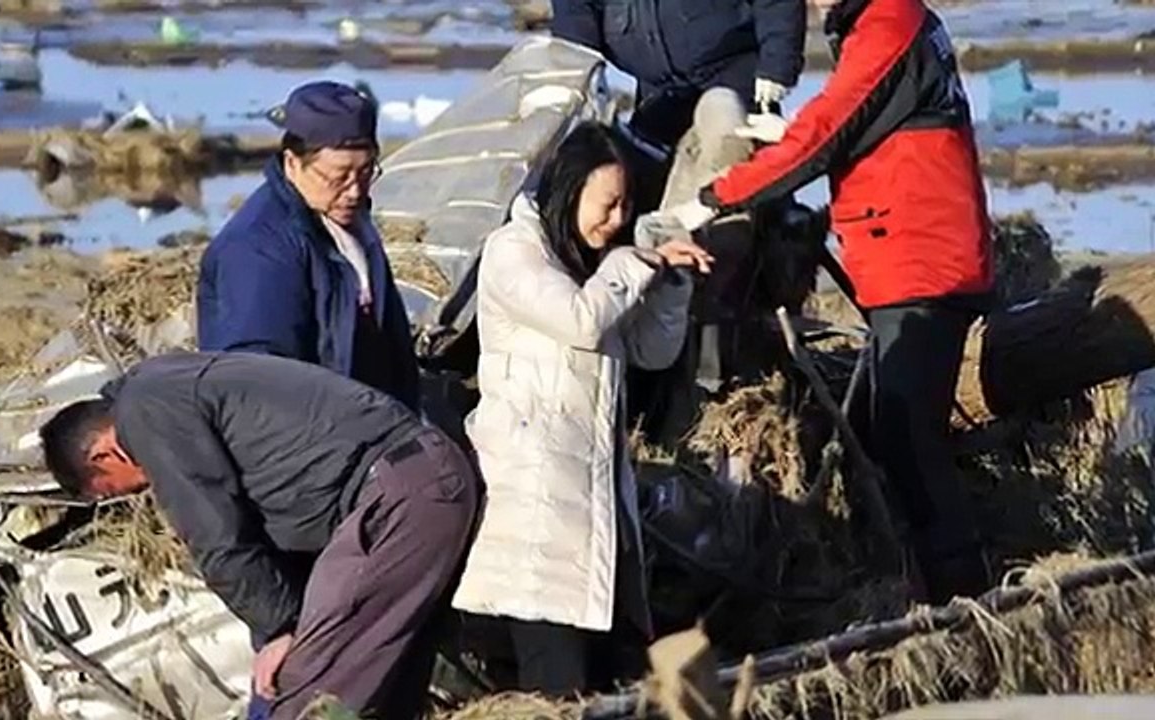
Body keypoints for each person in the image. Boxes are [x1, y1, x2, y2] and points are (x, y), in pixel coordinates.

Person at [648, 0, 996, 604]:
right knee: (890, 432)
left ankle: (963, 601)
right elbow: (865, 124)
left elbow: (828, 131)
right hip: (907, 255)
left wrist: (716, 197)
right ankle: (921, 580)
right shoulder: (885, 23)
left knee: (909, 439)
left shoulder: (889, 22)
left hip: (922, 259)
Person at [38, 352, 479, 720]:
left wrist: (279, 629)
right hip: (416, 484)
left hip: (395, 497)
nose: (145, 486)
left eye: (122, 486)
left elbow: (214, 532)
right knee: (380, 689)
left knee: (308, 682)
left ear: (102, 454)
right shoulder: (169, 382)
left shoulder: (146, 410)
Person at [449, 122, 713, 696]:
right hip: (534, 522)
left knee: (616, 687)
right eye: (608, 203)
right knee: (557, 691)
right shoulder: (513, 253)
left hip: (596, 516)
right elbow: (581, 321)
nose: (617, 219)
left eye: (627, 205)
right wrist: (634, 262)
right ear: (569, 190)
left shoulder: (595, 264)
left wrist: (670, 284)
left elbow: (652, 349)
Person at [196, 81, 420, 412]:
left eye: (365, 172)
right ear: (292, 163)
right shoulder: (258, 248)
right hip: (311, 437)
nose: (355, 191)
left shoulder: (349, 222)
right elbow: (257, 379)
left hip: (368, 423)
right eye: (338, 176)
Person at [551, 0, 807, 149]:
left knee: (740, 162)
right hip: (658, 90)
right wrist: (577, 80)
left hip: (733, 73)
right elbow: (575, 18)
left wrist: (777, 64)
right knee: (650, 177)